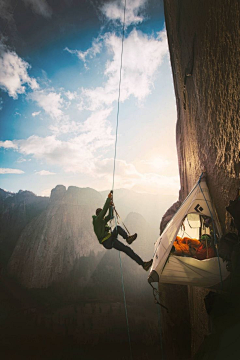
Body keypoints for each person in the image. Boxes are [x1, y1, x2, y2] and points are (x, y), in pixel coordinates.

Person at [92, 191, 153, 271]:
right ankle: (143, 264)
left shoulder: (102, 221)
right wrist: (108, 199)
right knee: (126, 249)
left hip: (110, 238)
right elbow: (104, 211)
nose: (103, 218)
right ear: (99, 215)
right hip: (107, 241)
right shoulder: (97, 221)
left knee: (118, 230)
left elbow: (110, 216)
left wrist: (110, 206)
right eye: (102, 216)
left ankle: (128, 239)